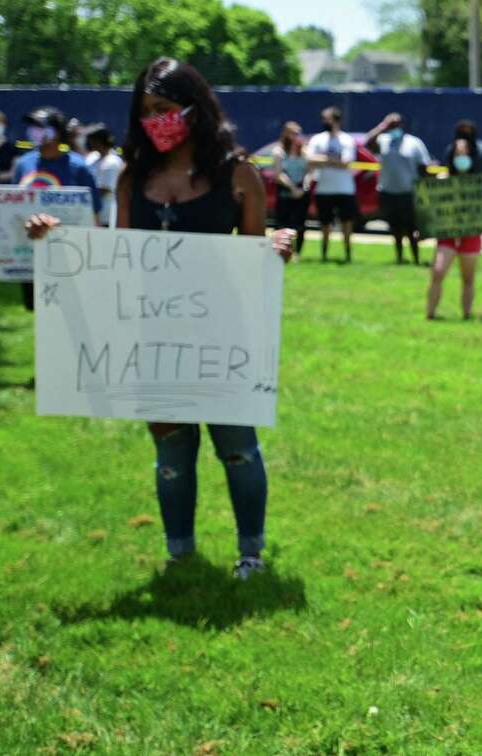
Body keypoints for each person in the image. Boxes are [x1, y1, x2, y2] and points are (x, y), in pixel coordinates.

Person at [25, 58, 294, 580]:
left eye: (166, 109)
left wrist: (276, 248)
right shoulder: (133, 179)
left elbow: (255, 252)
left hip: (225, 337)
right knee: (171, 451)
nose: (156, 120)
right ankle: (180, 555)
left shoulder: (238, 176)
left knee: (237, 448)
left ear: (196, 110)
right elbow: (117, 256)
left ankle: (251, 555)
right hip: (154, 336)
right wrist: (56, 239)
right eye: (146, 111)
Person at [14, 106, 101, 311]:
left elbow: (93, 213)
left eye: (41, 127)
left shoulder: (79, 167)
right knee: (38, 311)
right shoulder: (23, 165)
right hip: (31, 250)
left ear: (57, 132)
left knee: (72, 308)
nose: (35, 132)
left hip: (70, 252)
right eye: (32, 127)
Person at [426, 136, 482, 320]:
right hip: (447, 234)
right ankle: (430, 314)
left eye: (465, 153)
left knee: (468, 278)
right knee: (438, 272)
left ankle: (467, 315)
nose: (462, 157)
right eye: (458, 153)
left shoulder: (479, 181)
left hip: (471, 234)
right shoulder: (443, 179)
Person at [366, 112, 431, 265]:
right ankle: (400, 257)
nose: (393, 127)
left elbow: (423, 167)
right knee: (395, 228)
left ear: (402, 125)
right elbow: (368, 142)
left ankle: (416, 257)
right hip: (388, 192)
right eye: (391, 125)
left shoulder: (414, 143)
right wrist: (383, 126)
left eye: (395, 124)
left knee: (411, 228)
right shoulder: (383, 140)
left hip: (408, 193)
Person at [306, 106, 358, 263]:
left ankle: (348, 253)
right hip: (324, 189)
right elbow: (310, 160)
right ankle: (324, 254)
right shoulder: (317, 139)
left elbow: (346, 163)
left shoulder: (346, 140)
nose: (324, 122)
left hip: (345, 189)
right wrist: (333, 159)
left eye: (327, 118)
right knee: (325, 224)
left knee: (347, 223)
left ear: (336, 120)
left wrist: (323, 159)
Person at [271, 121, 310, 257]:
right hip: (285, 192)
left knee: (299, 225)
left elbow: (309, 172)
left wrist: (304, 187)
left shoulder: (304, 151)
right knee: (283, 224)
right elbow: (278, 174)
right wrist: (293, 189)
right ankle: (280, 251)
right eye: (293, 133)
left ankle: (296, 253)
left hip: (301, 193)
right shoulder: (278, 151)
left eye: (297, 133)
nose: (295, 136)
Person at [85, 124, 125, 228]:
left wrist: (82, 195)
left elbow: (105, 190)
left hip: (105, 216)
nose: (89, 143)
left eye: (92, 140)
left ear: (99, 141)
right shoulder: (91, 157)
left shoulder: (113, 162)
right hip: (90, 214)